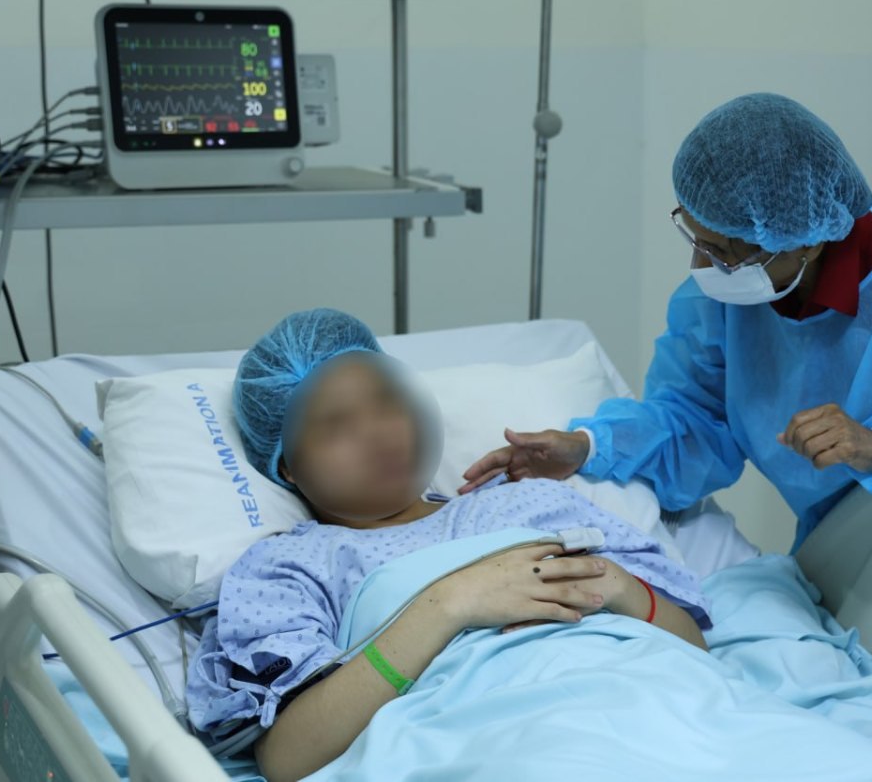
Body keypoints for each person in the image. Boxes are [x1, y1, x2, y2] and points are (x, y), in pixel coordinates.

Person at [461, 93, 872, 582]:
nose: (701, 268)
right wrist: (589, 446)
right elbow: (695, 422)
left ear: (805, 239)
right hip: (850, 564)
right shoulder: (725, 302)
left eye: (724, 251)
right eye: (694, 238)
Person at [185, 309, 710, 781]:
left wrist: (619, 586)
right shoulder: (289, 566)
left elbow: (695, 652)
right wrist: (448, 605)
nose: (378, 433)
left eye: (387, 403)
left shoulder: (530, 501)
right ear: (288, 466)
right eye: (336, 424)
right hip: (506, 743)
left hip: (663, 712)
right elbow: (288, 758)